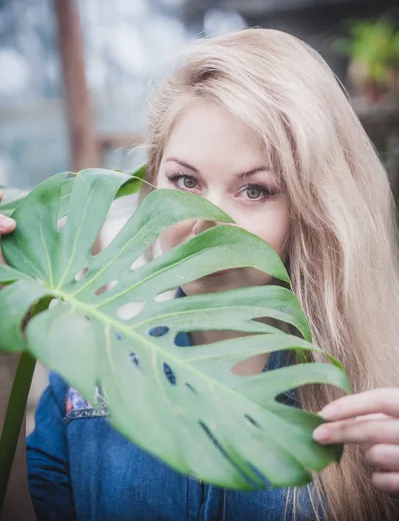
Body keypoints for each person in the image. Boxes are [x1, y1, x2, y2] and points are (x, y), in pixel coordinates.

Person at [1, 27, 399, 520]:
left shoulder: (379, 403)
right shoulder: (86, 385)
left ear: (315, 208)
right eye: (185, 181)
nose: (205, 224)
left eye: (255, 190)